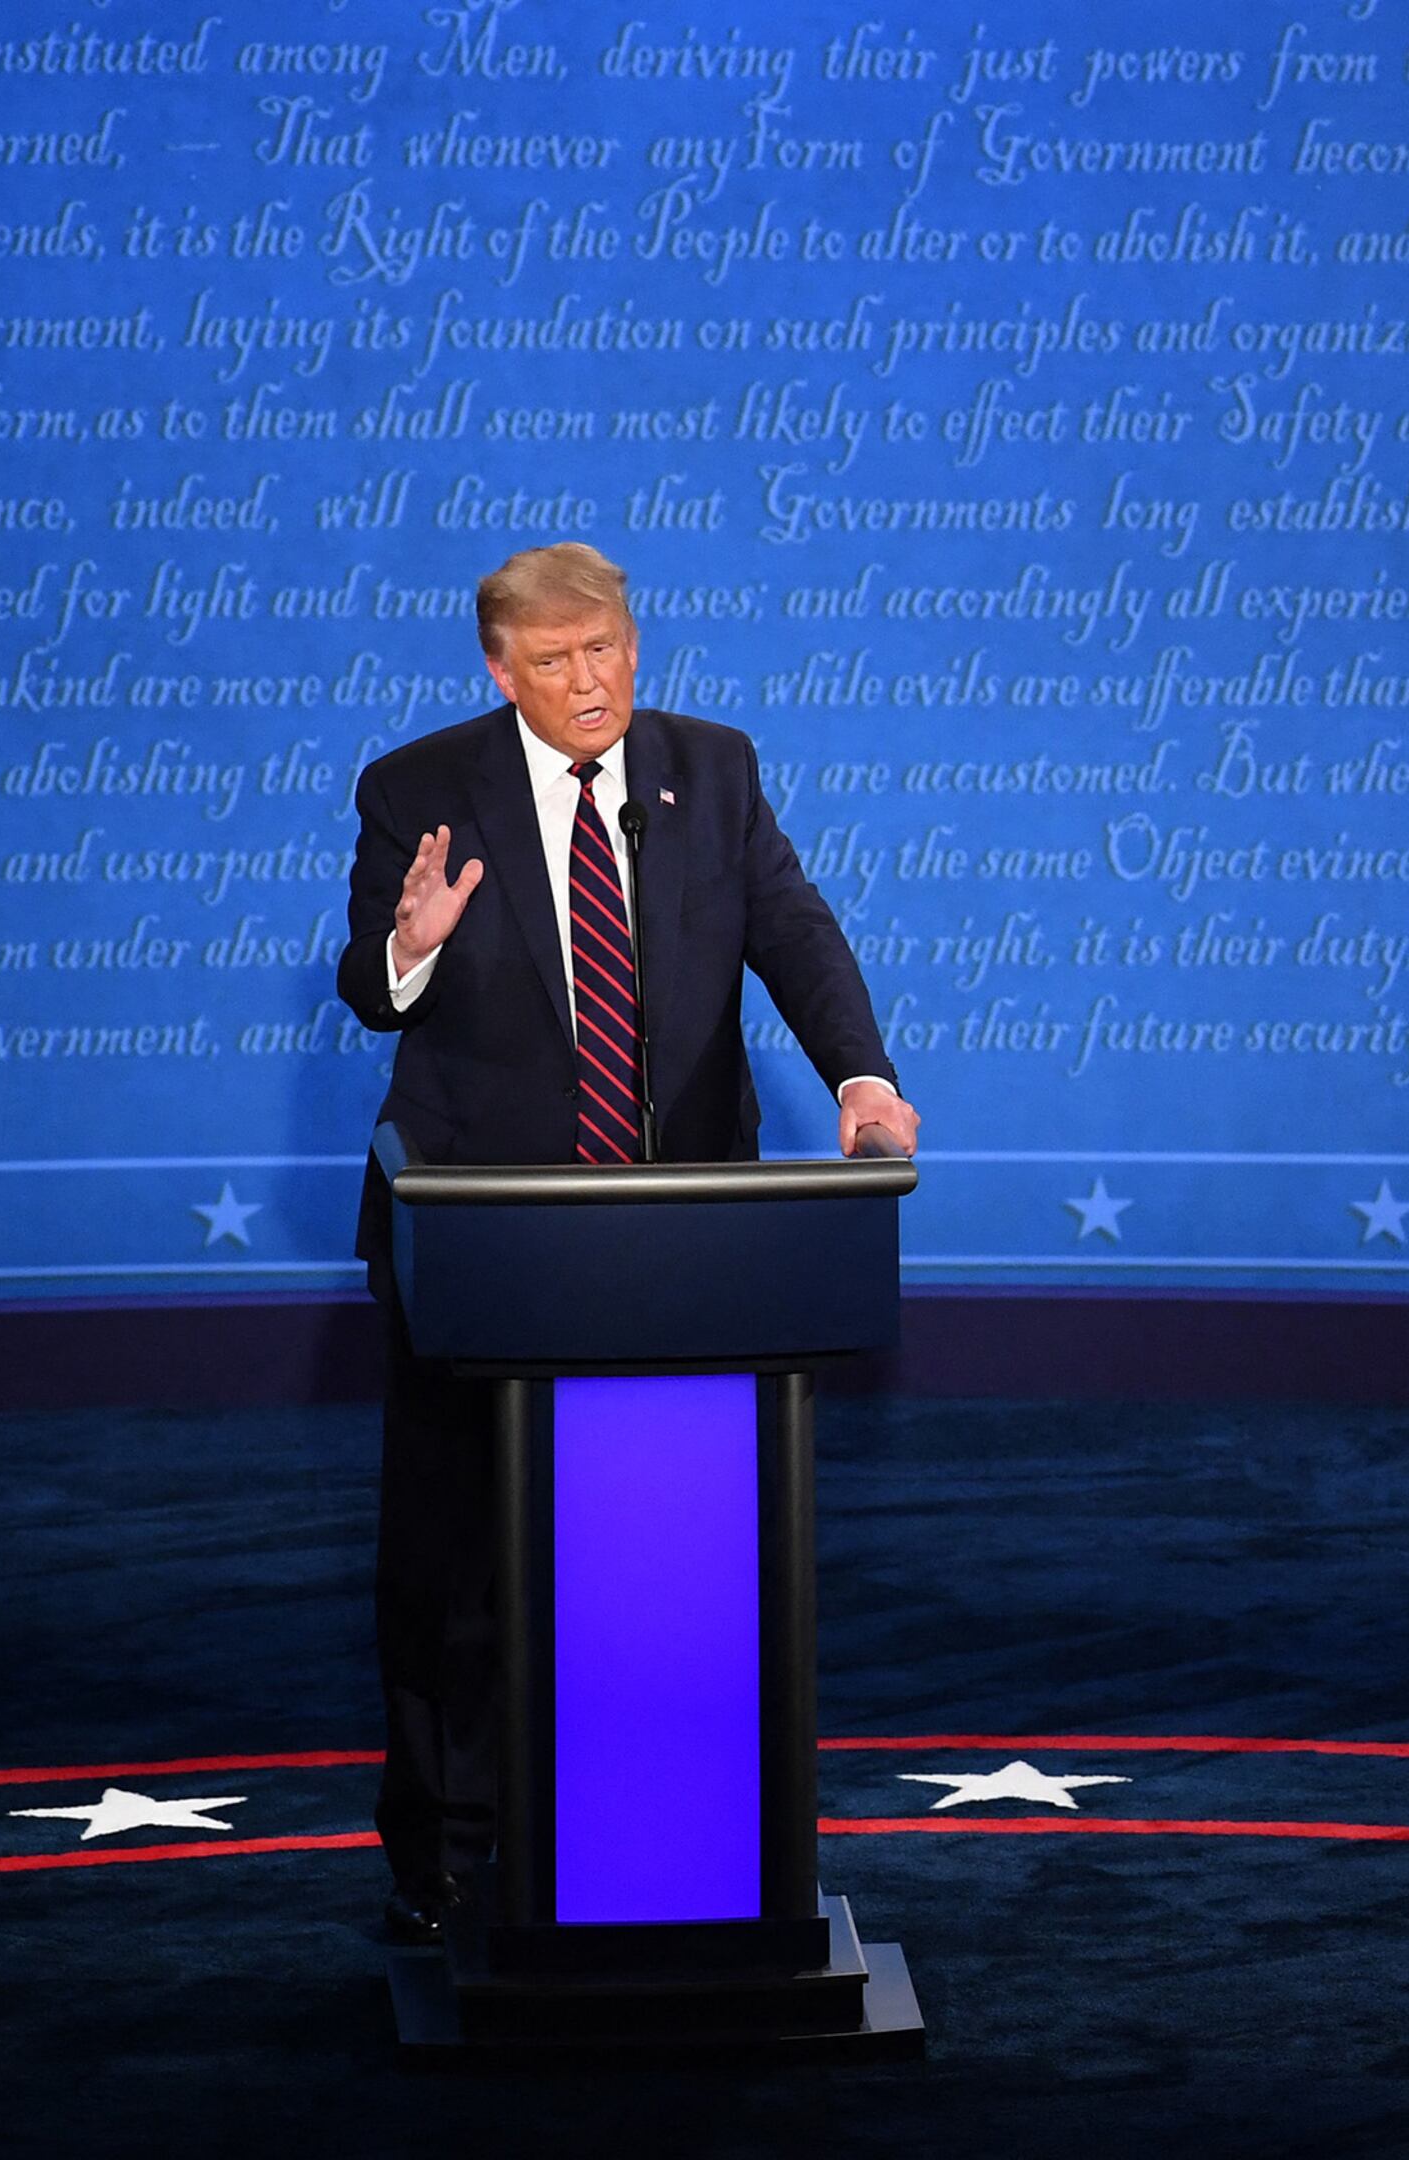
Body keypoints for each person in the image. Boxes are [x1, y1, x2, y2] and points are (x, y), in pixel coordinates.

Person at [332, 542, 920, 1942]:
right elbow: (371, 985)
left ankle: (685, 1829)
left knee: (674, 1560)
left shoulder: (708, 771)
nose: (588, 685)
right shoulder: (420, 790)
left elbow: (793, 930)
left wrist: (858, 1073)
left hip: (682, 1248)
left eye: (605, 652)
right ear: (500, 670)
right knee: (453, 1560)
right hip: (480, 1247)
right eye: (553, 662)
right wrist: (409, 950)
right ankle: (447, 1849)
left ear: (633, 646)